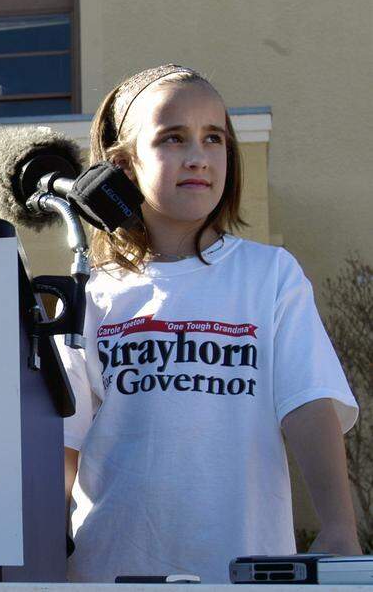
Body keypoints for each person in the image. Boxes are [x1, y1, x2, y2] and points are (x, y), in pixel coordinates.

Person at [61, 64, 360, 582]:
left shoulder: (270, 276)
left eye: (214, 138)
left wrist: (340, 530)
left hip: (244, 570)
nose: (198, 157)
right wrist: (37, 550)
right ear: (124, 165)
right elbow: (64, 443)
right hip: (110, 571)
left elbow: (309, 405)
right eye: (173, 138)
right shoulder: (91, 293)